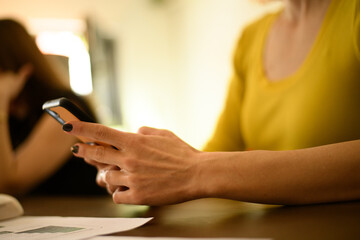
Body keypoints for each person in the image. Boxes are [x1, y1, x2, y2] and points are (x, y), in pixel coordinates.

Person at [64, 0, 359, 205]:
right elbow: (219, 151)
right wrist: (148, 174)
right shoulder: (252, 37)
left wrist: (194, 171)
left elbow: (205, 167)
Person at [0, 19, 106, 196]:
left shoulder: (63, 109)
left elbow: (9, 185)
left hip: (89, 216)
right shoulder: (11, 118)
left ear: (20, 70)